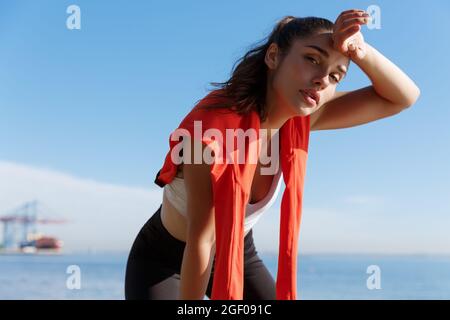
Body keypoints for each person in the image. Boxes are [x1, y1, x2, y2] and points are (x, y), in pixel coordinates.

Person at [125, 9, 420, 300]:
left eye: (335, 75)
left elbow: (403, 97)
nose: (322, 79)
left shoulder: (303, 119)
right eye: (312, 59)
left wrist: (360, 51)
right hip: (165, 259)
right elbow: (201, 240)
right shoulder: (209, 131)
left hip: (239, 251)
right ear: (273, 56)